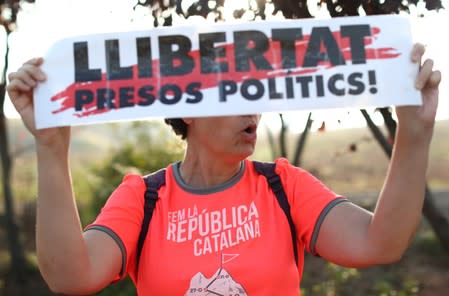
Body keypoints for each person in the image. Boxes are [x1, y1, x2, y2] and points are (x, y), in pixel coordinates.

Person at [7, 43, 441, 295]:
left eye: (256, 94)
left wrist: (415, 135)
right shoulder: (143, 197)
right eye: (235, 97)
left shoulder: (283, 186)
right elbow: (69, 277)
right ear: (189, 109)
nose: (253, 110)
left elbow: (378, 244)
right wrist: (50, 147)